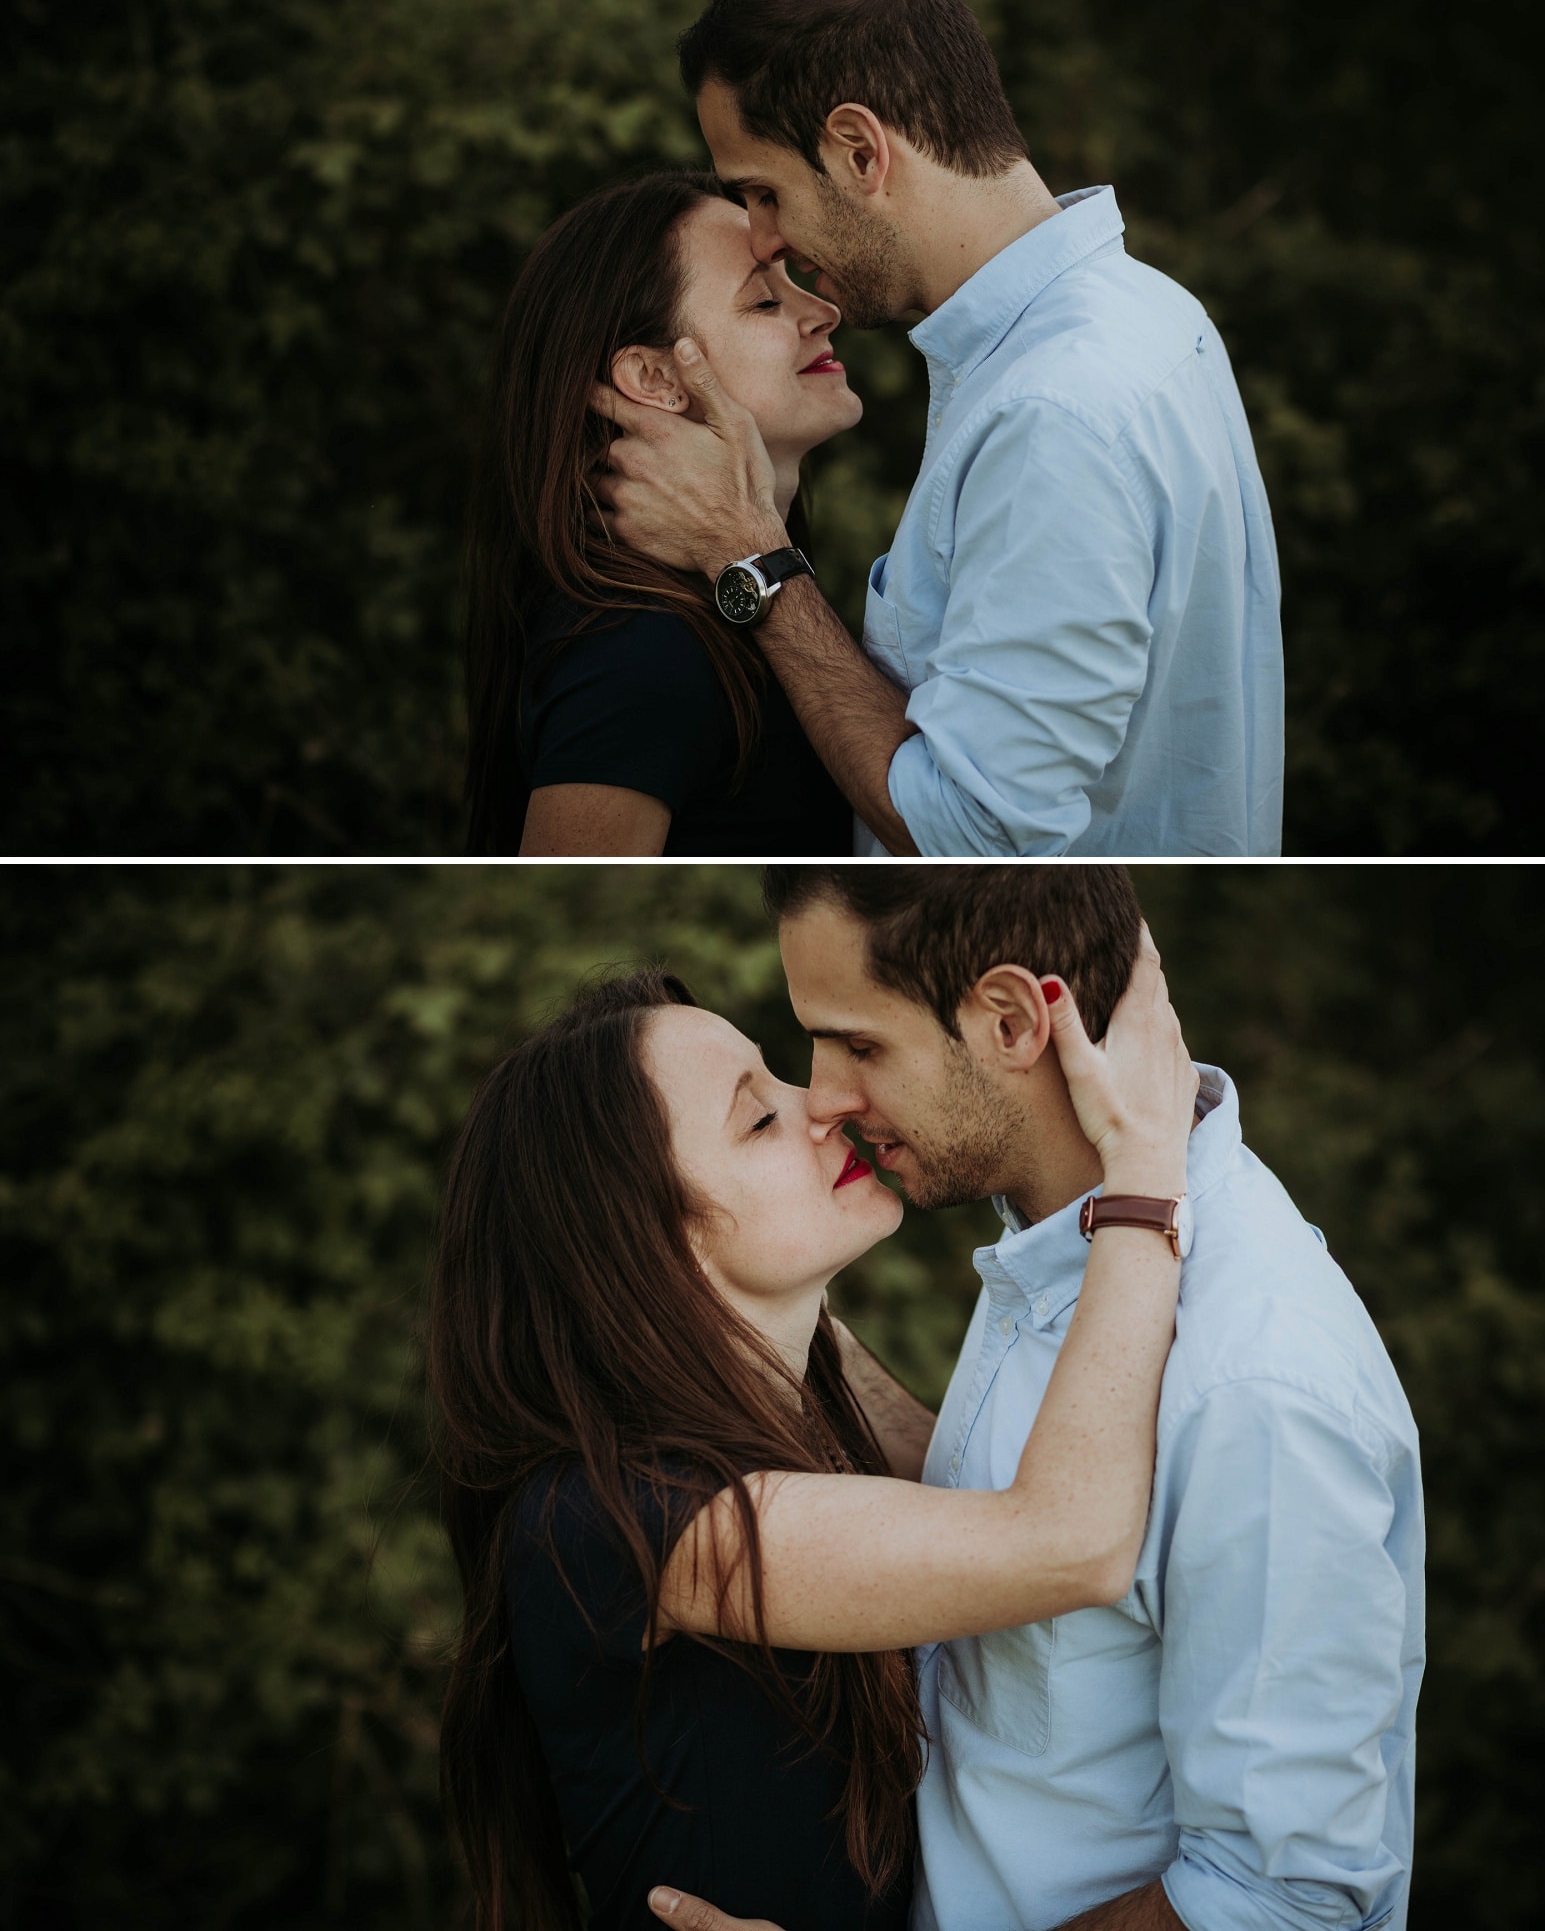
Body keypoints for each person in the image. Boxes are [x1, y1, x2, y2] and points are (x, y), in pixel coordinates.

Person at [648, 864, 1425, 1931]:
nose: (823, 1092)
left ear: (1010, 1020)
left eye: (860, 1044)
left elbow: (1279, 1901)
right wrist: (737, 1291)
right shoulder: (1066, 1242)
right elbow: (1000, 1501)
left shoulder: (1255, 1376)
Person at [430, 928, 1197, 1931]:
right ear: (647, 1243)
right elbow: (1071, 1541)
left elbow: (969, 1488)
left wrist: (790, 1308)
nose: (824, 1102)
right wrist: (1141, 1168)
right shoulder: (625, 1514)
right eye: (759, 1116)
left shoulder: (757, 1429)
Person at [597, 0, 1285, 858]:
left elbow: (971, 831)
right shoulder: (1152, 315)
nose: (763, 239)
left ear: (859, 152)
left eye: (761, 191)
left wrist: (749, 557)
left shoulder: (1052, 412)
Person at [462, 168, 866, 855]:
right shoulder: (639, 649)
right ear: (654, 378)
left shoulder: (721, 614)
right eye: (765, 301)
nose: (822, 310)